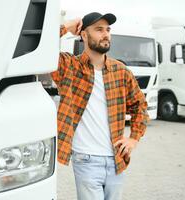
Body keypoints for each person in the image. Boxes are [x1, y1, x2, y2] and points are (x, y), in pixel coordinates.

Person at [51, 12, 150, 200]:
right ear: (84, 35)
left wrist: (133, 139)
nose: (106, 34)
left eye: (108, 30)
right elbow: (40, 49)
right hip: (85, 160)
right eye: (98, 30)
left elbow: (141, 107)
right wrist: (67, 25)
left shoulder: (121, 71)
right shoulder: (69, 66)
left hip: (117, 160)